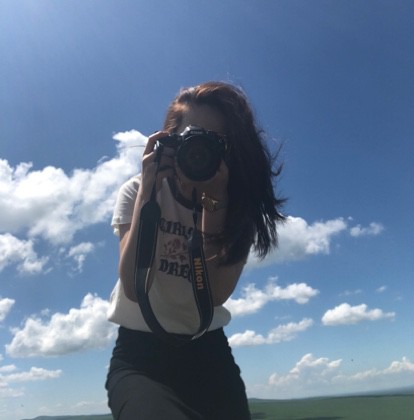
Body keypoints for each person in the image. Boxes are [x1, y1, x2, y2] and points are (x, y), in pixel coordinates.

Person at [105, 81, 286, 419]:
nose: (200, 151)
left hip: (209, 351)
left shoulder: (237, 208)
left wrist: (214, 204)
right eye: (191, 138)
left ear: (231, 153)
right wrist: (149, 191)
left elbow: (215, 294)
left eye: (215, 143)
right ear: (169, 141)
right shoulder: (137, 191)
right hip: (140, 356)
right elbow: (133, 285)